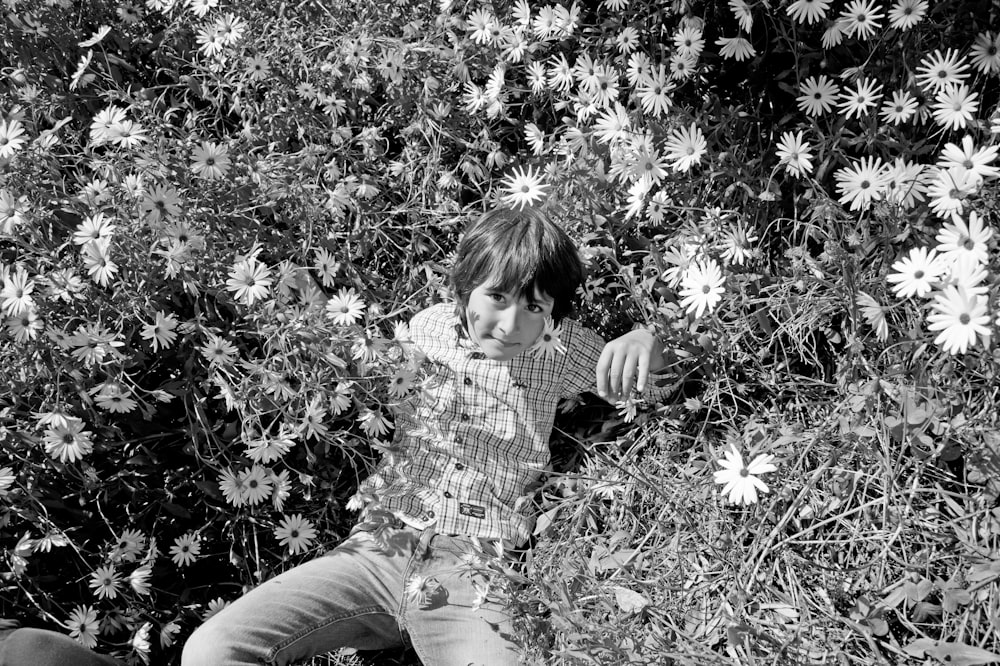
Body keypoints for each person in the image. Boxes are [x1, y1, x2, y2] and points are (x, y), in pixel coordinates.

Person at [181, 206, 669, 666]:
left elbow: (660, 379)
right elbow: (363, 373)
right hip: (377, 549)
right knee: (212, 649)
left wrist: (646, 339)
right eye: (496, 297)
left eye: (533, 305)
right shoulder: (426, 327)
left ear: (554, 315)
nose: (510, 323)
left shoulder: (560, 350)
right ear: (464, 289)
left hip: (474, 566)